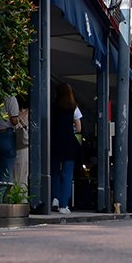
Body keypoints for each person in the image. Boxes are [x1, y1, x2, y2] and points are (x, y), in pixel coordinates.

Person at [50, 83, 82, 214]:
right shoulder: (73, 107)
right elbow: (79, 128)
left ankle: (55, 198)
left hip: (54, 143)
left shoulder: (53, 107)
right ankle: (64, 205)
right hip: (69, 144)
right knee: (67, 174)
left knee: (55, 172)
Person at [0, 96, 20, 197]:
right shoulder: (11, 98)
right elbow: (14, 120)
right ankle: (0, 199)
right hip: (6, 135)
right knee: (6, 171)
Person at [13, 96, 30, 189]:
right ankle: (21, 196)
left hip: (15, 145)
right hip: (24, 147)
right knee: (23, 174)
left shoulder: (13, 115)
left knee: (15, 173)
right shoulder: (28, 113)